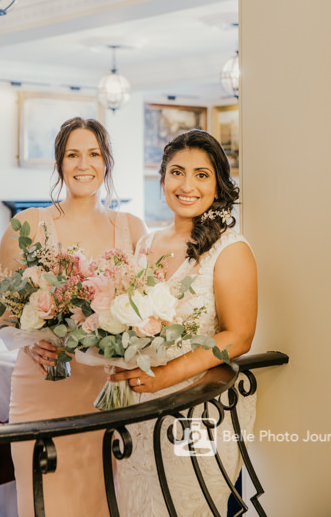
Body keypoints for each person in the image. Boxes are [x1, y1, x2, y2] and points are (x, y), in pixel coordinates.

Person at [0, 117, 147, 517]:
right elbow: (6, 311)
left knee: (105, 500)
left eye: (94, 154)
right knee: (46, 501)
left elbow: (145, 304)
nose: (84, 164)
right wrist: (30, 345)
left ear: (107, 162)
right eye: (73, 154)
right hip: (45, 387)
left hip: (108, 391)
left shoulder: (131, 228)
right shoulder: (26, 226)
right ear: (60, 163)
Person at [110, 129, 258, 516]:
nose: (187, 185)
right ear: (162, 180)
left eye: (202, 174)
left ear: (219, 185)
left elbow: (239, 336)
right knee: (137, 503)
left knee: (185, 505)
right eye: (177, 172)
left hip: (197, 408)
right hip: (139, 410)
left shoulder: (231, 249)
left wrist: (167, 377)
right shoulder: (146, 245)